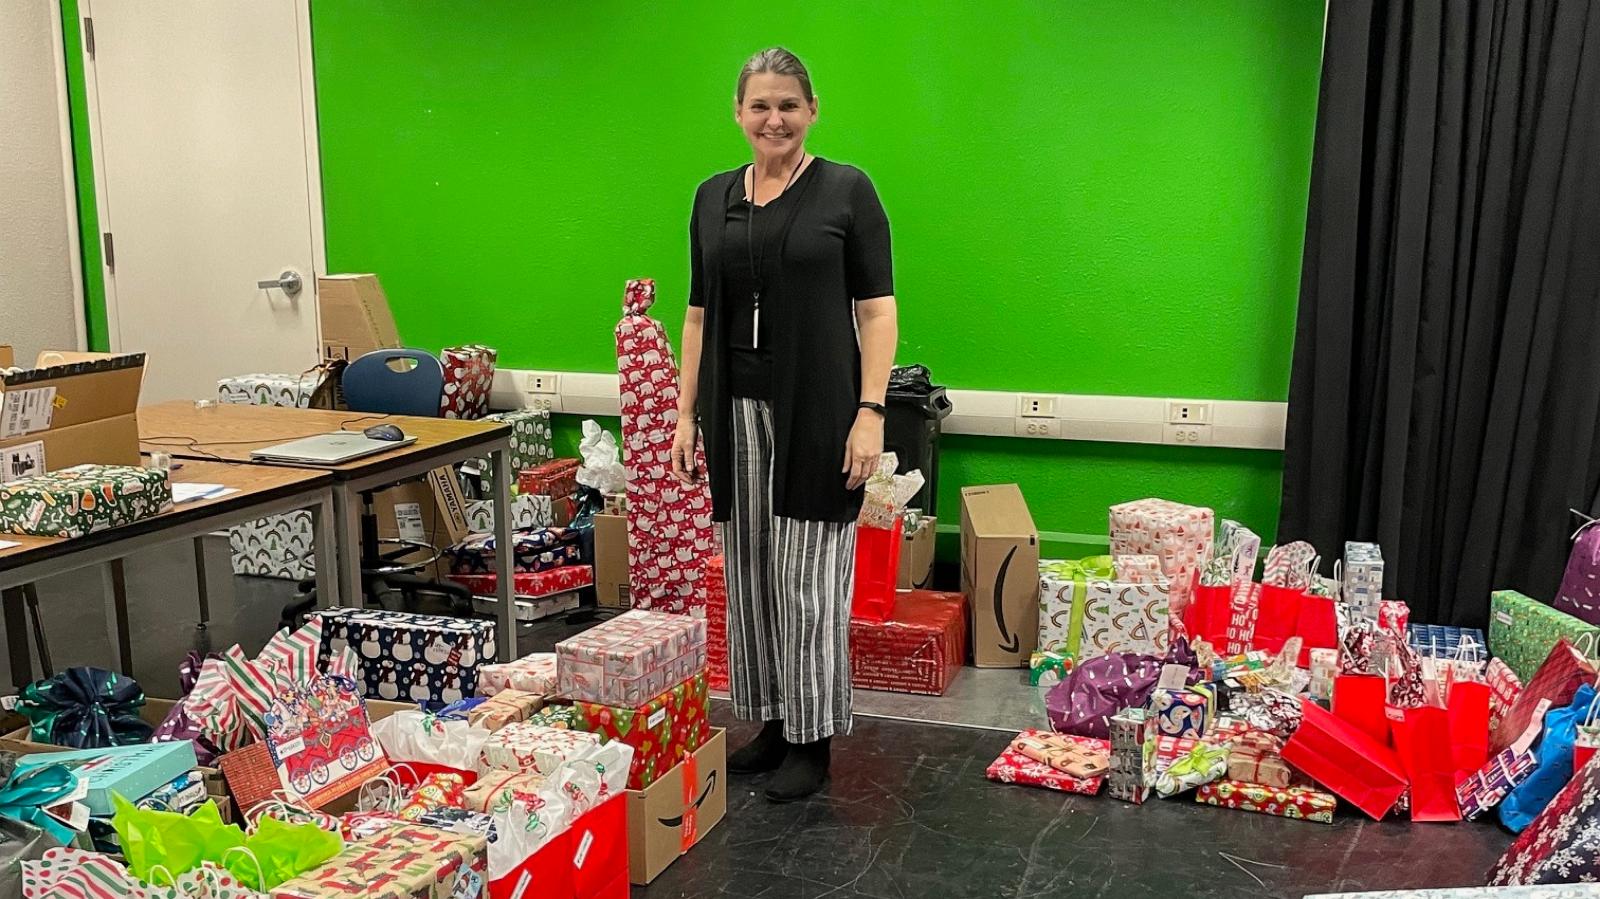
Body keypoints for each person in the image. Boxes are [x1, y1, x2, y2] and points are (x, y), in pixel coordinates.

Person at [671, 47, 898, 802]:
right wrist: (684, 413)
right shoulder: (711, 197)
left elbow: (877, 309)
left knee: (806, 582)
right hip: (734, 411)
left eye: (789, 105)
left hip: (818, 412)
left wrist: (871, 413)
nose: (775, 119)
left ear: (812, 111)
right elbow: (698, 313)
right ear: (738, 113)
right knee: (749, 578)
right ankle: (768, 722)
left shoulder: (848, 191)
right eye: (760, 105)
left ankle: (812, 739)